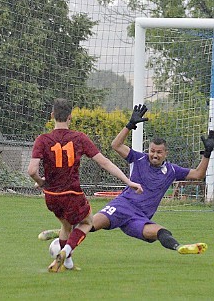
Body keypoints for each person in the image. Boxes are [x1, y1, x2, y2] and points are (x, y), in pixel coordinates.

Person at [38, 104, 210, 255]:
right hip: (121, 206)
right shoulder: (139, 158)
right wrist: (130, 125)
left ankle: (180, 248)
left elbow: (197, 175)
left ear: (166, 154)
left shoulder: (172, 170)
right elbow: (116, 145)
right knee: (89, 225)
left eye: (159, 152)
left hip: (139, 218)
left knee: (161, 232)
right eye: (152, 150)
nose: (154, 155)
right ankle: (63, 232)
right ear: (148, 149)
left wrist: (207, 154)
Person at [27, 98, 143, 273]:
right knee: (88, 222)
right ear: (70, 117)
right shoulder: (79, 138)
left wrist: (41, 182)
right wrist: (128, 181)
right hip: (72, 194)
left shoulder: (42, 140)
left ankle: (67, 264)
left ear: (52, 115)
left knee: (66, 227)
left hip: (51, 196)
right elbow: (104, 163)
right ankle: (65, 251)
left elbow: (31, 170)